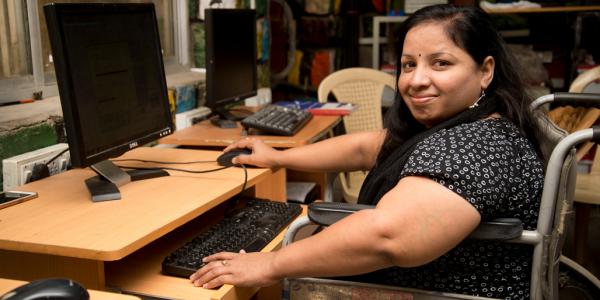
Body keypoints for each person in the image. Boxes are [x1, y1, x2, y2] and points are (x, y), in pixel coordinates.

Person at [190, 4, 545, 299]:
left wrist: (270, 265)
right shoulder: (466, 123)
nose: (416, 80)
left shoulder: (475, 145)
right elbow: (366, 147)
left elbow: (388, 236)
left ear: (485, 71)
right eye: (409, 65)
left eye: (441, 63)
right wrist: (278, 158)